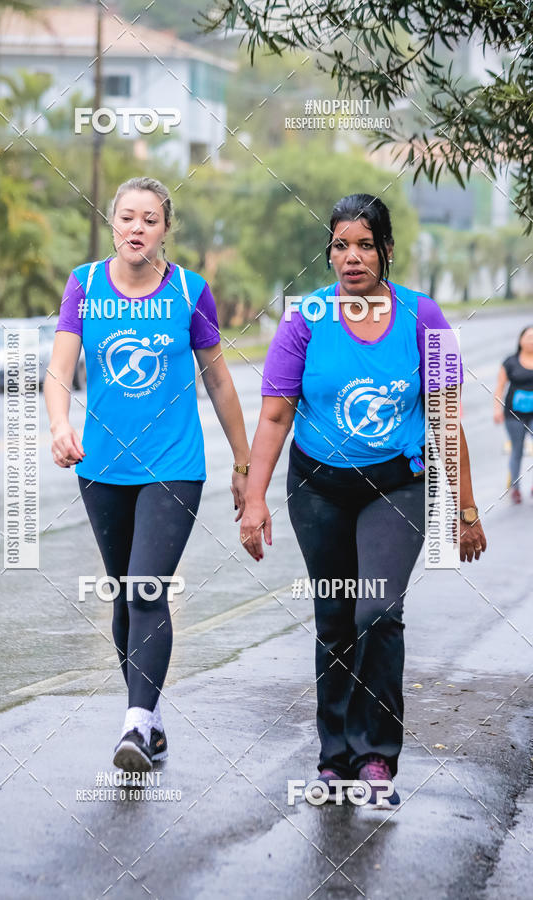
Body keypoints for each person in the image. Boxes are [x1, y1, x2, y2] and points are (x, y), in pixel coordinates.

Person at [239, 193, 486, 809]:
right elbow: (274, 416)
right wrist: (253, 498)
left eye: (365, 245)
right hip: (317, 487)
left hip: (398, 484)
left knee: (376, 611)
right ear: (329, 253)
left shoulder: (424, 318)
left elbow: (447, 419)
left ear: (387, 251)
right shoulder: (305, 320)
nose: (352, 257)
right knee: (334, 619)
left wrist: (466, 508)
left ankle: (376, 754)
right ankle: (335, 758)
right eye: (341, 245)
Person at [44, 176, 251, 774]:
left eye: (150, 219)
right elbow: (61, 367)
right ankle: (150, 719)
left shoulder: (190, 290)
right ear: (113, 222)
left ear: (166, 229)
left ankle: (133, 724)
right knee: (122, 590)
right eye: (127, 217)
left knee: (145, 586)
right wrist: (59, 425)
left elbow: (217, 381)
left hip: (174, 464)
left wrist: (243, 464)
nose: (137, 228)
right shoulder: (83, 285)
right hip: (103, 466)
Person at [493, 325, 533, 503]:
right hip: (513, 415)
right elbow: (500, 387)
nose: (531, 340)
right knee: (516, 450)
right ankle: (515, 488)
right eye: (528, 336)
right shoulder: (510, 362)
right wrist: (497, 409)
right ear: (520, 340)